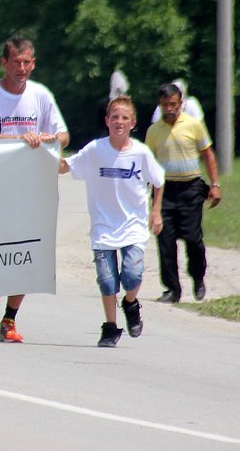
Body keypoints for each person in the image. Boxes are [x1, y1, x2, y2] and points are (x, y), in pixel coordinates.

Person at [0, 36, 69, 343]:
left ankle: (10, 319)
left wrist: (50, 138)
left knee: (28, 252)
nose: (21, 68)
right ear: (4, 63)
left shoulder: (41, 94)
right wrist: (21, 140)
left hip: (30, 185)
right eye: (16, 62)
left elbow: (63, 135)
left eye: (27, 62)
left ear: (33, 63)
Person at [60, 96, 164, 347]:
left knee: (132, 276)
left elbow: (158, 180)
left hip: (133, 226)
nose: (119, 121)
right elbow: (66, 167)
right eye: (114, 117)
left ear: (133, 123)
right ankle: (110, 327)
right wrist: (43, 153)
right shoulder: (95, 150)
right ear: (107, 120)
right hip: (104, 227)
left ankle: (130, 303)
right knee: (107, 282)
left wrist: (156, 211)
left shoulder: (141, 152)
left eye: (125, 118)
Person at [145, 82, 221, 303]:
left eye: (173, 104)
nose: (169, 109)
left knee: (193, 239)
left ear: (180, 104)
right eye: (165, 105)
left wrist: (215, 184)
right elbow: (148, 163)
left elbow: (207, 154)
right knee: (165, 241)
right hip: (165, 191)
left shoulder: (194, 125)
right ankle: (172, 289)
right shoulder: (153, 131)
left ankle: (198, 277)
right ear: (159, 105)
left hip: (191, 189)